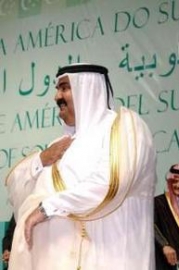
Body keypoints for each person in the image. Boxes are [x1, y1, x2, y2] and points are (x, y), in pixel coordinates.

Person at [5, 63, 157, 270]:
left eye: (65, 88)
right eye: (57, 89)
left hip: (111, 259)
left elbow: (109, 185)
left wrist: (46, 209)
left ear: (87, 90)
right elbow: (20, 196)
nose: (57, 97)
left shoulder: (126, 129)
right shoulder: (60, 146)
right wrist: (41, 159)